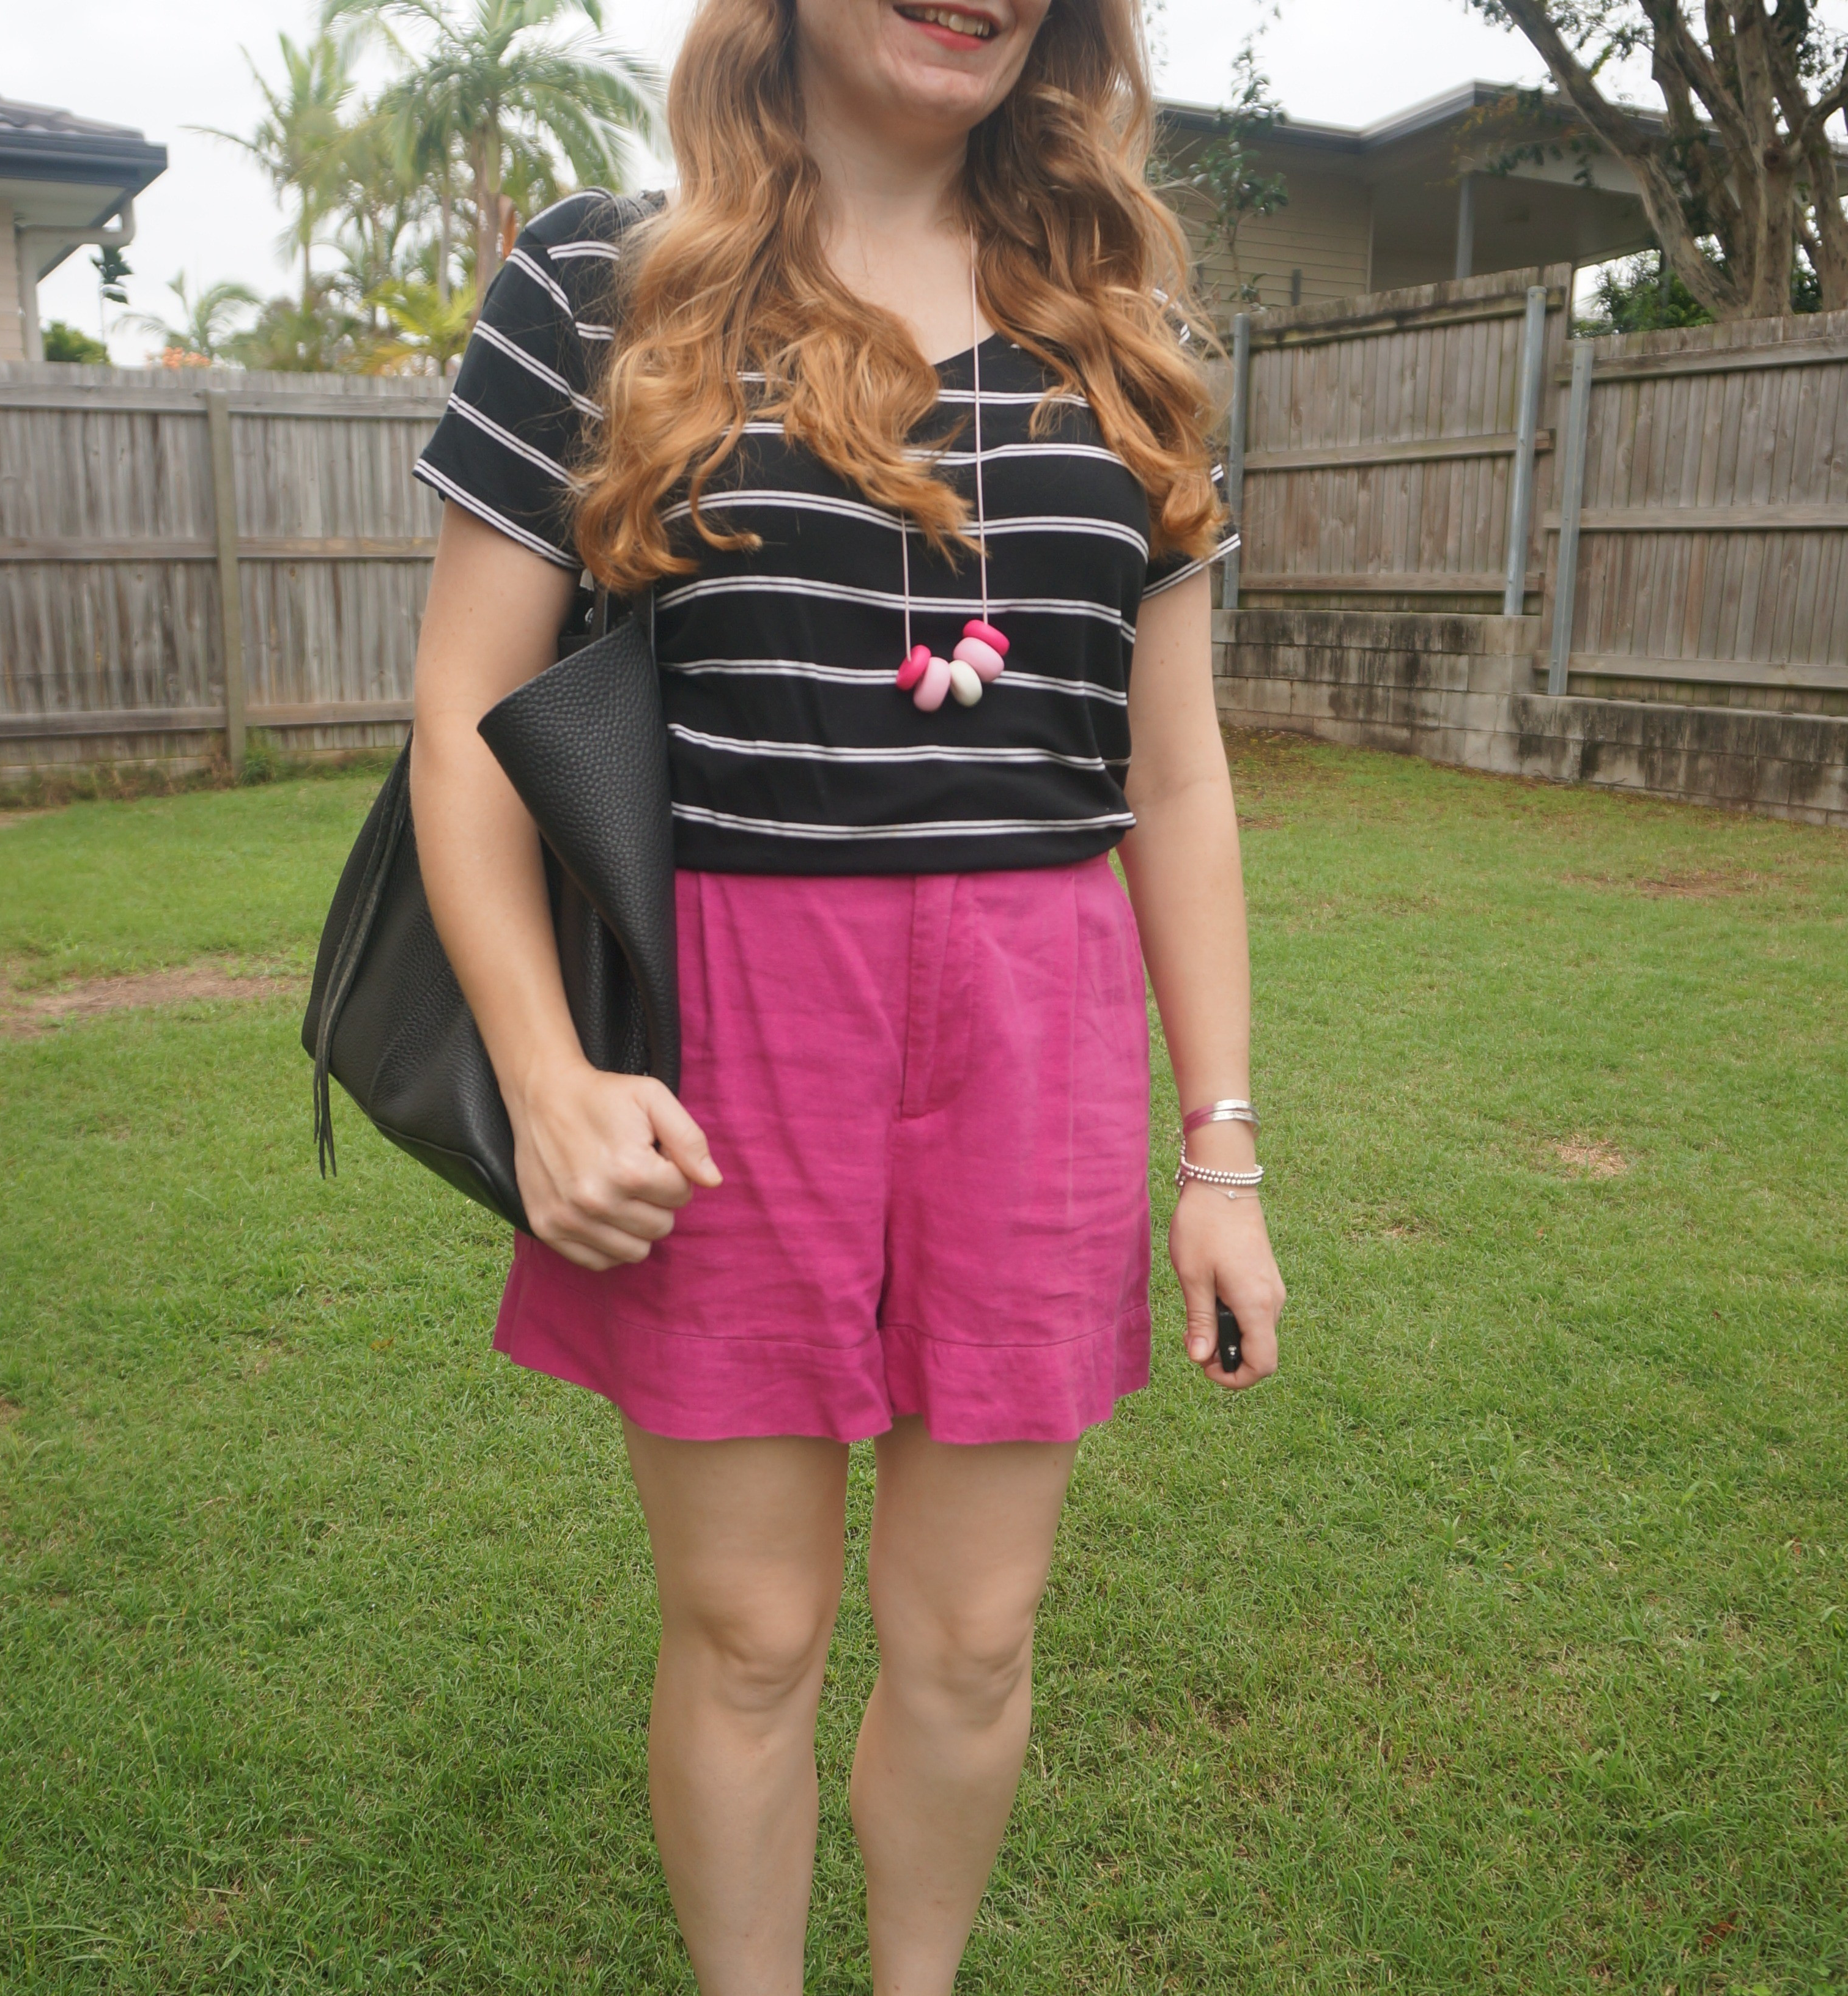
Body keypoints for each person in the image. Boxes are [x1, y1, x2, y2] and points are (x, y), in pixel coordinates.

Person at [408, 1, 1287, 1987]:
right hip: (734, 1027)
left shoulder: (1127, 327)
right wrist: (548, 1077)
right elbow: (465, 727)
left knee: (975, 1637)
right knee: (750, 1631)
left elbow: (1178, 776)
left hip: (1034, 1028)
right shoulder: (601, 284)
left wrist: (1220, 1151)